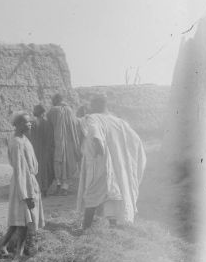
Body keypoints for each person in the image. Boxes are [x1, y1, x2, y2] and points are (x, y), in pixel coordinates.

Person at [77, 94, 146, 230]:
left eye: (91, 105)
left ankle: (85, 227)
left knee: (92, 194)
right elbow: (136, 141)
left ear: (95, 105)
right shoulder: (120, 122)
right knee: (113, 193)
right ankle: (112, 226)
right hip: (116, 167)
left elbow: (96, 137)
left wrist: (98, 154)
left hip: (99, 164)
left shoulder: (93, 118)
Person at [0, 112, 45, 259]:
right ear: (19, 124)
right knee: (23, 221)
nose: (30, 124)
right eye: (27, 122)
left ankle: (2, 247)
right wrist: (25, 195)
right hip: (23, 184)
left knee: (19, 220)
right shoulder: (17, 143)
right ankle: (18, 254)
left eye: (30, 122)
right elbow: (20, 170)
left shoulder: (23, 139)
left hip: (28, 181)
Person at [46, 93, 81, 195]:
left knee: (58, 163)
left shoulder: (52, 111)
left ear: (55, 100)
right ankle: (65, 187)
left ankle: (58, 185)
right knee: (68, 163)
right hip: (69, 143)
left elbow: (49, 126)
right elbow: (75, 124)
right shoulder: (69, 110)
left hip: (57, 142)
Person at [29, 104, 55, 196]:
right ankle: (44, 189)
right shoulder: (47, 123)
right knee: (46, 169)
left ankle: (37, 188)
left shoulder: (31, 123)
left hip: (35, 150)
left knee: (36, 169)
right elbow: (50, 138)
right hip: (45, 150)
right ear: (43, 113)